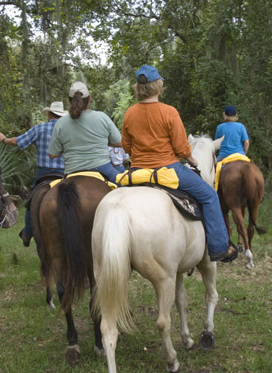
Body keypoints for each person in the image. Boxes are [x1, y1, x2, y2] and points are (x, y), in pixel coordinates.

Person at [120, 64, 237, 263]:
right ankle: (219, 248)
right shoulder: (169, 112)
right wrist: (192, 160)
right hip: (169, 169)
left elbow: (126, 147)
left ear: (138, 88)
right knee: (209, 196)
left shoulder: (130, 113)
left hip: (137, 172)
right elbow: (182, 149)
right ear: (158, 86)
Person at [0, 101, 67, 247]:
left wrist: (3, 139)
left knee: (31, 202)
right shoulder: (68, 130)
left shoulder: (40, 128)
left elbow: (19, 142)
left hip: (44, 174)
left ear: (50, 115)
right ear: (61, 116)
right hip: (64, 174)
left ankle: (27, 233)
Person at [48, 82, 123, 182]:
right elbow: (120, 142)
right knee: (124, 191)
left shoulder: (60, 123)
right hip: (103, 168)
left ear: (70, 101)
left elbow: (52, 155)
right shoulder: (102, 117)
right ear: (89, 100)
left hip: (72, 171)